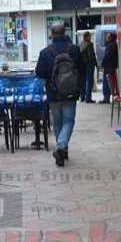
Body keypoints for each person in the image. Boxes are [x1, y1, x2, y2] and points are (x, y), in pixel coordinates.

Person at [36, 23, 84, 167]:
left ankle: (61, 149)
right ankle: (62, 148)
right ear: (65, 33)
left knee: (57, 123)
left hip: (53, 94)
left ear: (52, 34)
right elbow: (82, 69)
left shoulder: (45, 52)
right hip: (71, 94)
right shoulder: (74, 50)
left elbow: (39, 73)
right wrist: (79, 87)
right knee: (69, 121)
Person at [79, 31, 97, 103]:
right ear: (87, 37)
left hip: (82, 66)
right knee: (90, 81)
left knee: (83, 82)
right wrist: (95, 64)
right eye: (90, 36)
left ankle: (82, 97)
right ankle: (88, 98)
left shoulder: (80, 44)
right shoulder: (89, 44)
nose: (90, 37)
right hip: (89, 65)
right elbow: (91, 56)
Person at [102, 33, 118, 103]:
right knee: (111, 83)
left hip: (108, 67)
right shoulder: (113, 45)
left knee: (107, 82)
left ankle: (106, 98)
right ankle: (108, 97)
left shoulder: (111, 45)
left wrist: (102, 63)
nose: (107, 38)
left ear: (111, 38)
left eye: (108, 37)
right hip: (112, 66)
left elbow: (107, 56)